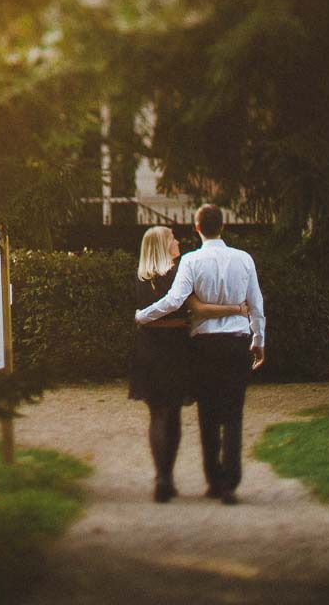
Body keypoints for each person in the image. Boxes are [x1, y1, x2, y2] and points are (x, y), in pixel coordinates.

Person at [135, 204, 266, 504]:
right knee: (233, 414)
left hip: (204, 345)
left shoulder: (191, 261)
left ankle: (214, 479)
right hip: (237, 341)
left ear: (197, 228)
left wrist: (143, 315)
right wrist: (259, 339)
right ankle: (230, 483)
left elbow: (174, 300)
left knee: (207, 413)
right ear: (223, 226)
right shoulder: (244, 259)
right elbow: (256, 304)